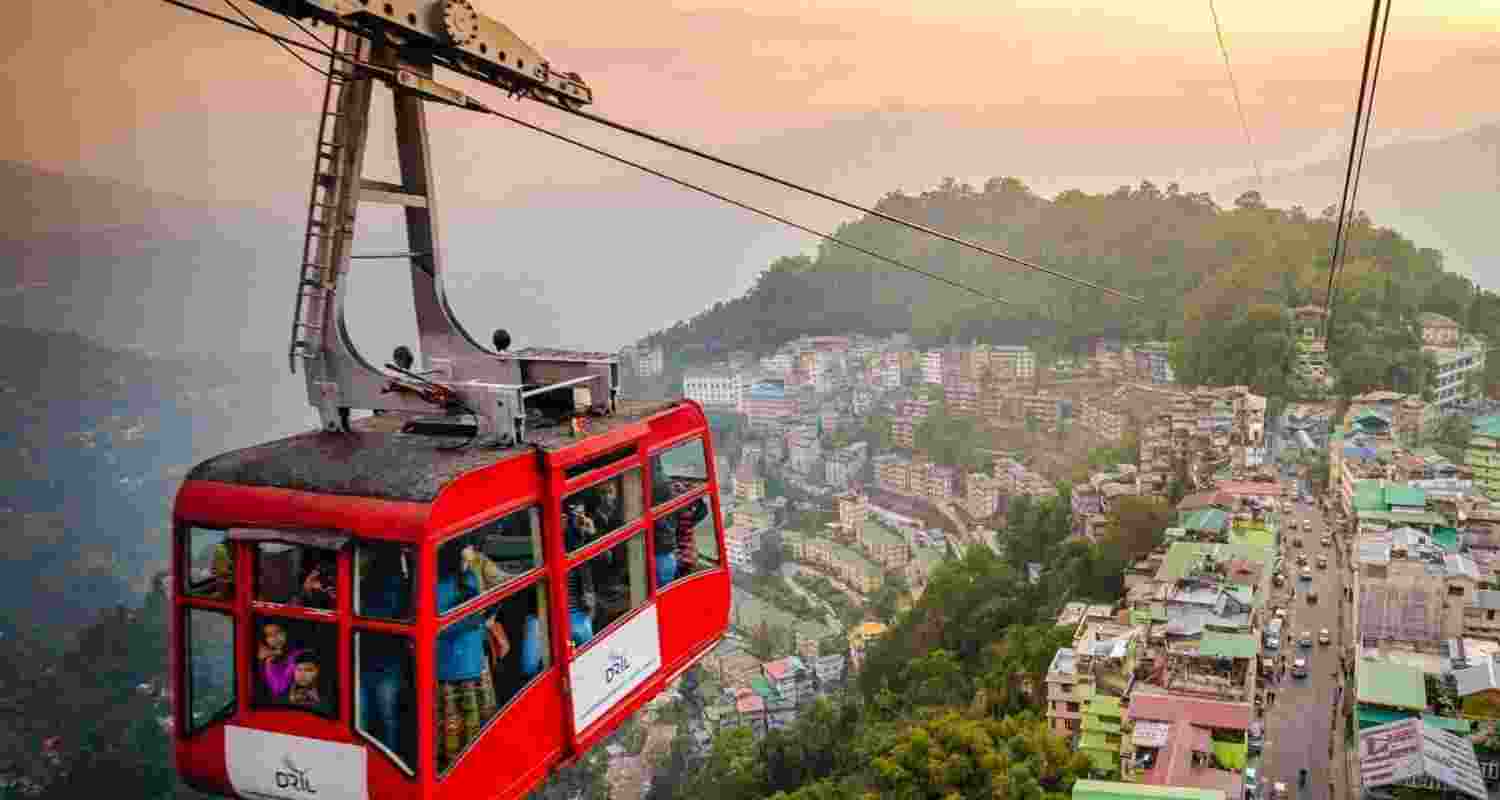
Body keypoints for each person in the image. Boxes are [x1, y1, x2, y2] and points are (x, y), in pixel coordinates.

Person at [435, 546, 498, 772]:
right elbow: (442, 626)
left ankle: (457, 769)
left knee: (454, 727)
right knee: (473, 722)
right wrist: (479, 619)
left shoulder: (434, 585)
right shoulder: (462, 580)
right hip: (463, 664)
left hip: (456, 664)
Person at [359, 548, 411, 759]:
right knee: (386, 717)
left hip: (367, 658)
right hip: (386, 660)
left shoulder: (362, 586)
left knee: (366, 717)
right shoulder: (404, 588)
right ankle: (389, 758)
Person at [256, 621, 305, 703]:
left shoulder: (299, 655)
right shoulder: (263, 659)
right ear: (265, 640)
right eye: (269, 635)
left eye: (278, 632)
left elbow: (279, 689)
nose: (275, 637)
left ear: (286, 633)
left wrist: (269, 662)